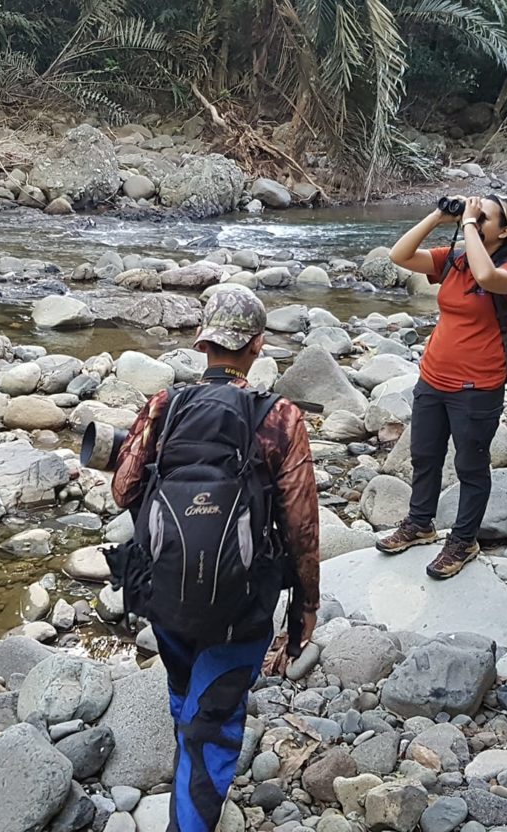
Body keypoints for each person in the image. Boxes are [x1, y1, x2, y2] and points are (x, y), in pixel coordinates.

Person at [110, 286, 320, 832]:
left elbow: (124, 489)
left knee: (186, 692)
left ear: (204, 344)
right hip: (240, 600)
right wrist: (305, 606)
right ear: (256, 345)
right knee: (217, 722)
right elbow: (300, 524)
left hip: (167, 588)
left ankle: (188, 768)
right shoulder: (279, 418)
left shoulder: (165, 405)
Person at [377, 194, 507, 579]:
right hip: (433, 377)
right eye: (474, 216)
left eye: (485, 218)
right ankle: (420, 524)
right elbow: (399, 255)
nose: (476, 222)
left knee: (470, 466)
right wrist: (438, 215)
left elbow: (486, 278)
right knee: (424, 455)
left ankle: (464, 540)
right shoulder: (455, 259)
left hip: (477, 387)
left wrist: (466, 225)